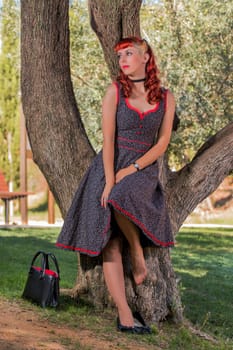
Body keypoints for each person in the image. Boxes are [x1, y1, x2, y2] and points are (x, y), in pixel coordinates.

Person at [56, 36, 175, 334]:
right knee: (109, 238)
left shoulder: (165, 97)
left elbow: (162, 143)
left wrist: (132, 169)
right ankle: (124, 315)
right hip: (108, 166)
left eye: (129, 53)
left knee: (122, 194)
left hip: (143, 169)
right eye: (120, 55)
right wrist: (109, 180)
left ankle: (136, 251)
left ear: (146, 57)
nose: (123, 60)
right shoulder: (114, 92)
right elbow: (108, 141)